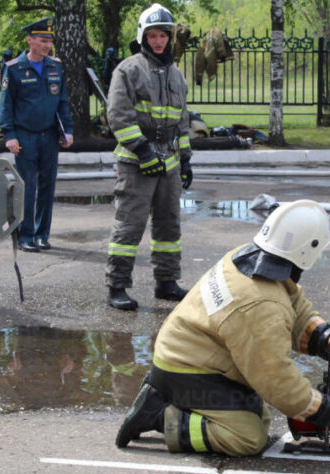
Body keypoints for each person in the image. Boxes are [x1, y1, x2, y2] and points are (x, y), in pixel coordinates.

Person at [115, 200, 330, 456]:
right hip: (186, 369)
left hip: (186, 353)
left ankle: (173, 399)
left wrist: (322, 335)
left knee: (258, 415)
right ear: (309, 248)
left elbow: (292, 298)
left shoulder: (249, 257)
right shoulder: (261, 304)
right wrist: (324, 410)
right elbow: (274, 376)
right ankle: (160, 415)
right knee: (247, 437)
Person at [105, 3, 192, 310]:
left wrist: (185, 160)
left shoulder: (176, 75)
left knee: (169, 227)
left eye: (163, 36)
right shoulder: (128, 70)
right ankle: (117, 286)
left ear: (170, 38)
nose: (158, 41)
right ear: (143, 36)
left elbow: (182, 121)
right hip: (135, 163)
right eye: (153, 35)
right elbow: (118, 116)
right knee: (129, 225)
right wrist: (142, 150)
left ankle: (166, 282)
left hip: (169, 163)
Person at [0, 18, 74, 253]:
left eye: (50, 41)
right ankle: (26, 235)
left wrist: (68, 130)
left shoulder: (55, 66)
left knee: (47, 185)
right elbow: (6, 104)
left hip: (49, 135)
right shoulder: (14, 68)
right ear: (30, 40)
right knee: (27, 185)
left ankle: (42, 234)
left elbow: (62, 101)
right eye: (43, 41)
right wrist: (10, 135)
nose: (47, 46)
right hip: (24, 136)